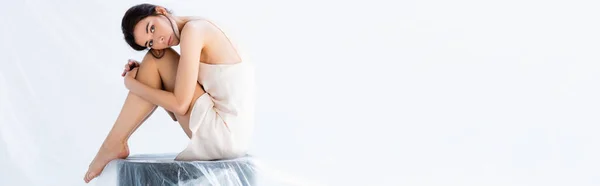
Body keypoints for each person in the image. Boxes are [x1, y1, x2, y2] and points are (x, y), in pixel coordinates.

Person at [83, 3, 256, 183]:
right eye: (150, 42)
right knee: (155, 58)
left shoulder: (193, 31)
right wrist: (148, 75)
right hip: (233, 136)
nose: (158, 40)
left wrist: (132, 83)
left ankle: (113, 144)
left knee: (157, 57)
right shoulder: (199, 25)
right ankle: (114, 143)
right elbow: (176, 111)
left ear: (160, 10)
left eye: (152, 28)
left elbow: (180, 106)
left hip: (222, 135)